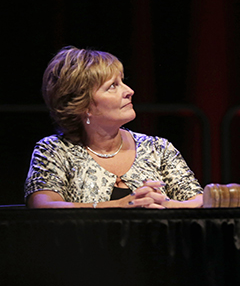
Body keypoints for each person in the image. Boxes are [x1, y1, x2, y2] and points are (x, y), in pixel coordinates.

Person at [24, 46, 203, 209]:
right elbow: (43, 205)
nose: (129, 91)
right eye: (113, 86)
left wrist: (165, 204)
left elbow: (200, 201)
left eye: (123, 82)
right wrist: (118, 206)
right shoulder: (54, 150)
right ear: (83, 105)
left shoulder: (158, 149)